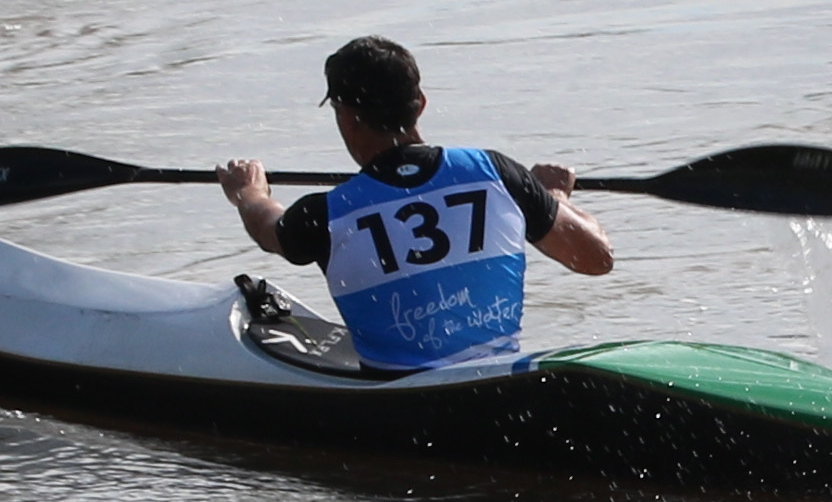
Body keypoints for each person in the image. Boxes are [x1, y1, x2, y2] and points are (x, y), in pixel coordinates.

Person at [216, 36, 610, 372]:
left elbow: (268, 228)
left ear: (348, 118)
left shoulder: (325, 215)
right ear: (420, 103)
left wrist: (248, 192)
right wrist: (552, 197)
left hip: (399, 403)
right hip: (496, 386)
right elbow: (596, 259)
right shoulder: (498, 174)